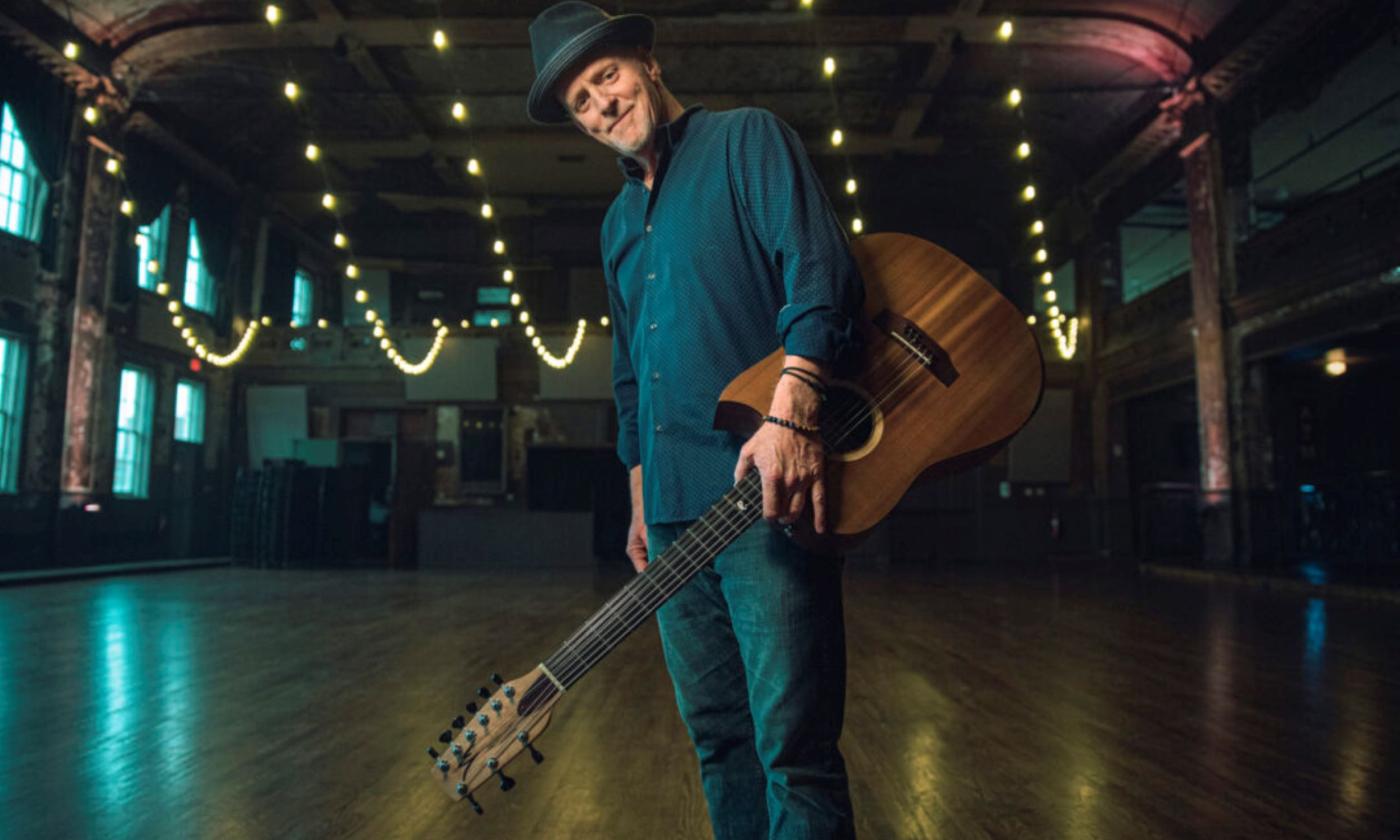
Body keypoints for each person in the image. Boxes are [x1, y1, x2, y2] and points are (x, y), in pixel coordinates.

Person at [527, 4, 864, 838]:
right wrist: (640, 496)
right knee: (718, 741)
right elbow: (631, 381)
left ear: (645, 58)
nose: (601, 103)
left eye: (605, 75)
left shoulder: (747, 139)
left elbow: (820, 271)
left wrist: (793, 406)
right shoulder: (615, 227)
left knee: (794, 747)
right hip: (672, 520)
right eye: (581, 101)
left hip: (763, 499)